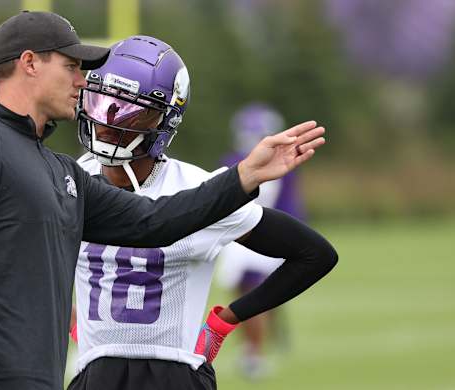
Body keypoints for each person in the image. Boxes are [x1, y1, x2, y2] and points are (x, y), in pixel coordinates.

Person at [0, 12, 327, 390]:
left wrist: (243, 177)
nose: (81, 82)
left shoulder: (58, 169)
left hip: (43, 377)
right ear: (29, 63)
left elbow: (153, 221)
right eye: (71, 67)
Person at [66, 36, 337, 390]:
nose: (107, 122)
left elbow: (314, 254)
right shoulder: (68, 179)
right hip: (95, 375)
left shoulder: (197, 187)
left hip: (175, 374)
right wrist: (70, 319)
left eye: (132, 110)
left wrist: (224, 322)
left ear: (164, 119)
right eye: (102, 103)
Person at [216, 103, 303, 380]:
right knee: (254, 297)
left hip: (249, 237)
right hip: (252, 235)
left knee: (250, 298)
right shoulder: (269, 162)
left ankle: (253, 353)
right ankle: (258, 345)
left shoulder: (236, 160)